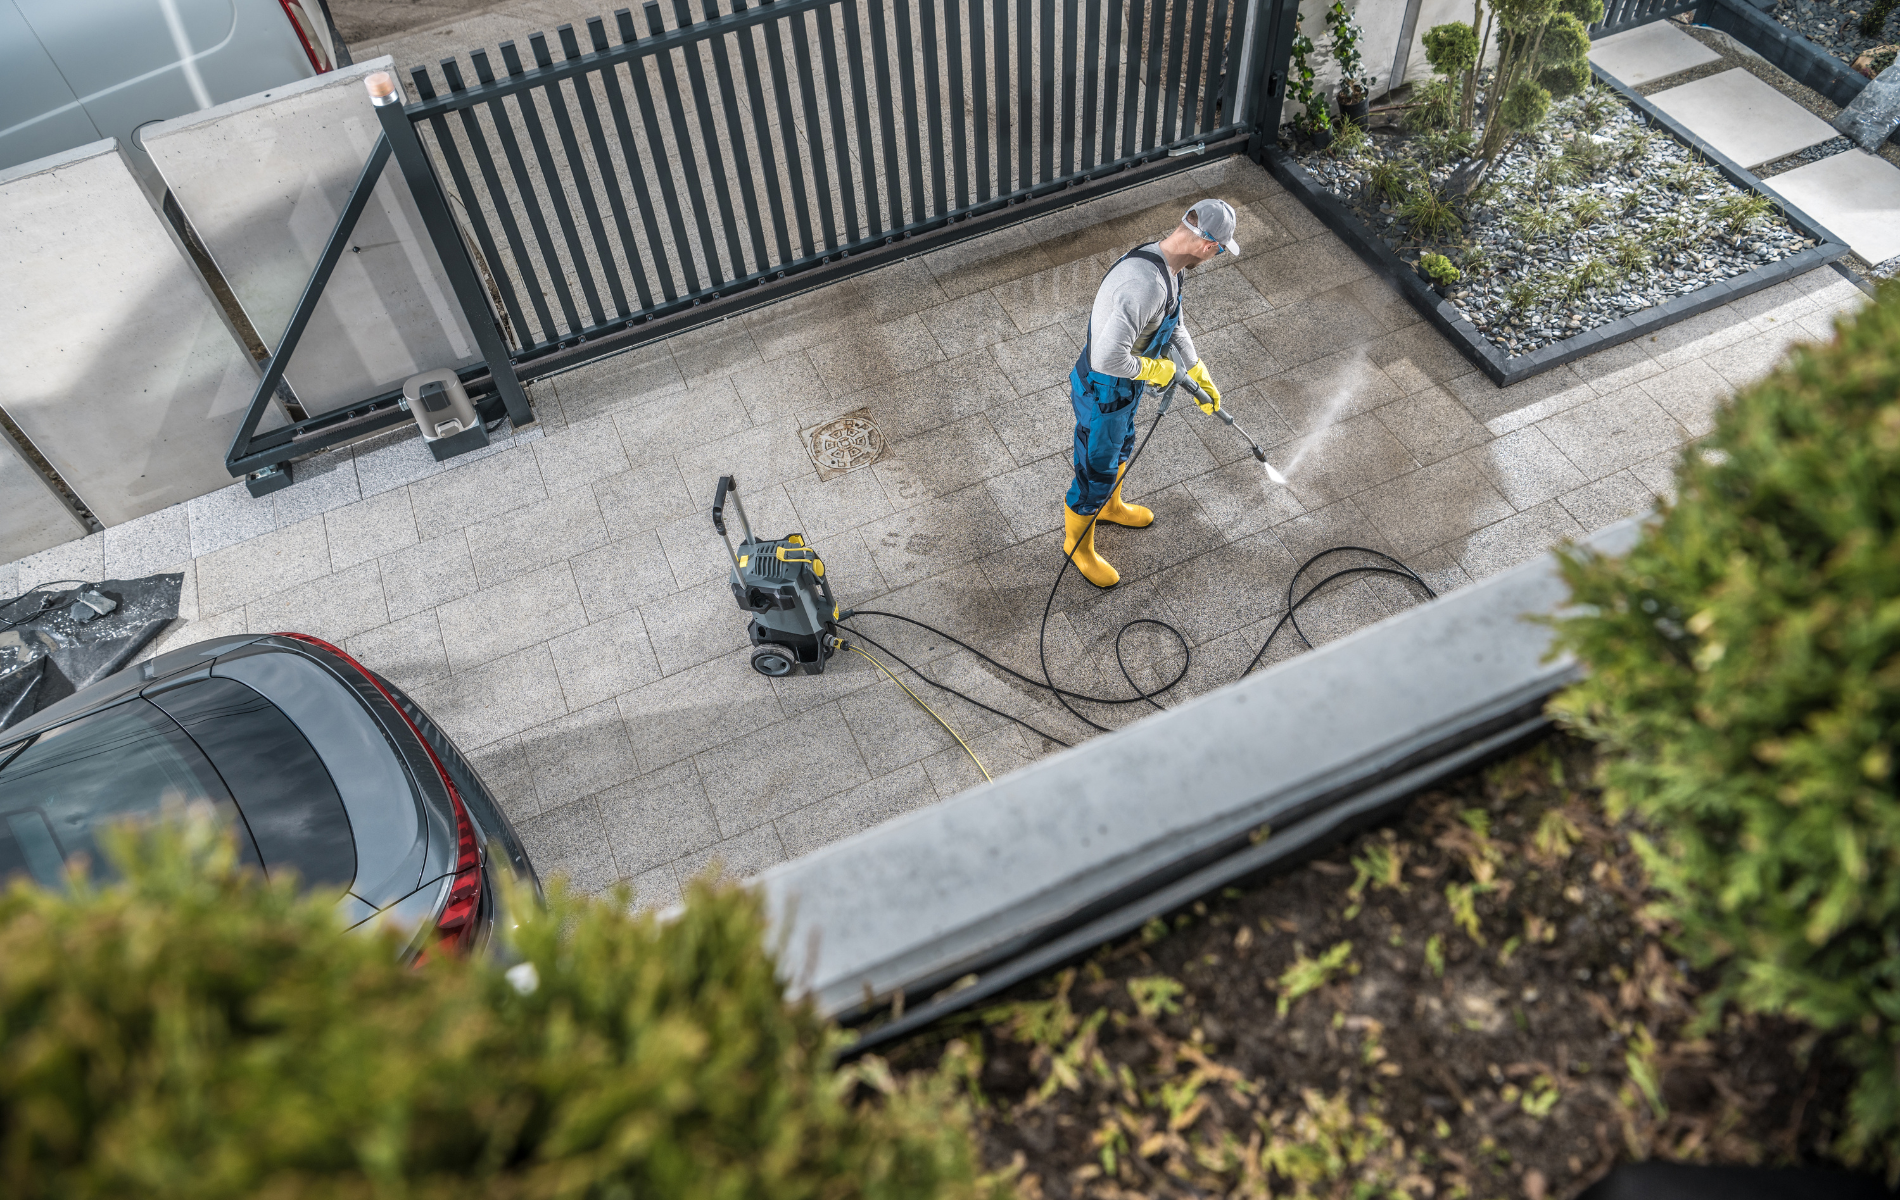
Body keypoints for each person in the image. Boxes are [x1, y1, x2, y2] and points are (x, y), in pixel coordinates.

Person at [1062, 199, 1240, 588]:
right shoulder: (1144, 285)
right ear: (1209, 245)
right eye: (1222, 249)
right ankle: (1078, 546)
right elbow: (1107, 359)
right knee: (1096, 470)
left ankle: (1110, 507)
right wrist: (1158, 370)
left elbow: (1170, 321)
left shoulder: (1168, 266)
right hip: (1105, 389)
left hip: (1127, 385)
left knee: (1123, 445)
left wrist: (1194, 367)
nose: (1218, 255)